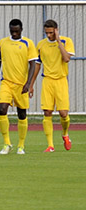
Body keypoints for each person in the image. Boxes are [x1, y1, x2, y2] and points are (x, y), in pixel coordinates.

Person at [0, 19, 39, 155]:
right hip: (6, 82)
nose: (14, 33)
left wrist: (28, 84)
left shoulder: (28, 43)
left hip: (21, 84)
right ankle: (6, 143)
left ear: (21, 29)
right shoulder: (3, 43)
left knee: (21, 114)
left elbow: (33, 64)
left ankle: (21, 145)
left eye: (17, 31)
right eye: (12, 31)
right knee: (2, 109)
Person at [35, 19, 74, 152]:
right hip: (47, 81)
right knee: (47, 112)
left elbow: (66, 58)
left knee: (63, 113)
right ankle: (50, 145)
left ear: (56, 30)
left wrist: (58, 41)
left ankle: (65, 134)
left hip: (61, 80)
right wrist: (31, 84)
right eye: (47, 33)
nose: (49, 35)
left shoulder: (66, 41)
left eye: (51, 33)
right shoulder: (41, 45)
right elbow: (37, 65)